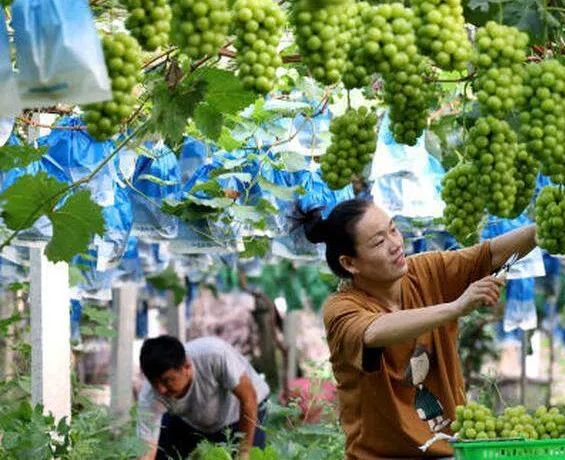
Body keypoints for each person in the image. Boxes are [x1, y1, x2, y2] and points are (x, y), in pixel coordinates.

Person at [296, 197, 537, 459]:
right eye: (379, 242)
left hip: (450, 453)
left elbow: (490, 254)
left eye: (393, 229)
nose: (396, 244)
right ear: (349, 263)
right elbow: (374, 332)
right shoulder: (342, 308)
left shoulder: (426, 271)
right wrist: (455, 307)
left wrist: (543, 228)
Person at [136, 334, 271, 460]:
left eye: (167, 381)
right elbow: (147, 448)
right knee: (162, 453)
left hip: (242, 411)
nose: (161, 389)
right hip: (192, 420)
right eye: (154, 383)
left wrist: (244, 452)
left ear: (187, 367)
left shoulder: (215, 355)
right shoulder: (150, 395)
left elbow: (248, 398)